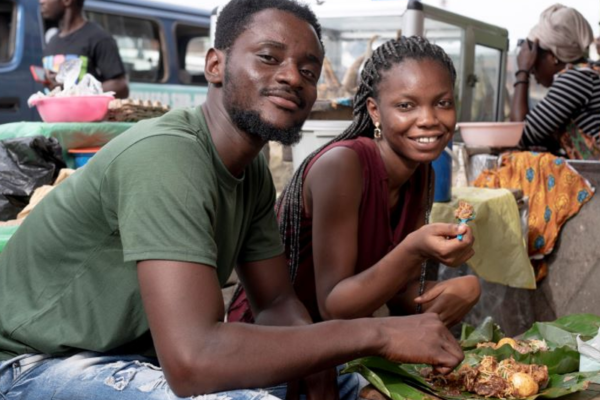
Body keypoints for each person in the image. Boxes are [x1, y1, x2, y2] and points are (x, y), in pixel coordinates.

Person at [0, 1, 464, 399]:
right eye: (268, 57)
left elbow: (277, 303)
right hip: (31, 364)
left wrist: (323, 373)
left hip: (138, 359)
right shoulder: (167, 156)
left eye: (308, 70)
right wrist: (377, 334)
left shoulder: (251, 171)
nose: (292, 78)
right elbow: (193, 361)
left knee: (365, 388)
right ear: (215, 65)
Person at [229, 37, 480, 328]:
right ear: (374, 110)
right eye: (406, 105)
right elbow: (334, 307)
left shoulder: (422, 174)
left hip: (340, 340)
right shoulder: (343, 166)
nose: (428, 119)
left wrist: (458, 290)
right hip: (272, 336)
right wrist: (415, 249)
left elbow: (396, 294)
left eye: (442, 103)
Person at [510, 4, 598, 159]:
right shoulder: (588, 73)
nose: (532, 69)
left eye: (534, 60)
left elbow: (518, 135)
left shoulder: (575, 80)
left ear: (553, 56)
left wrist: (522, 71)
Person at [40, 0, 129, 98]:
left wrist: (77, 91)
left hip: (87, 113)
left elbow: (121, 86)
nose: (41, 1)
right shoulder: (52, 42)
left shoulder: (99, 38)